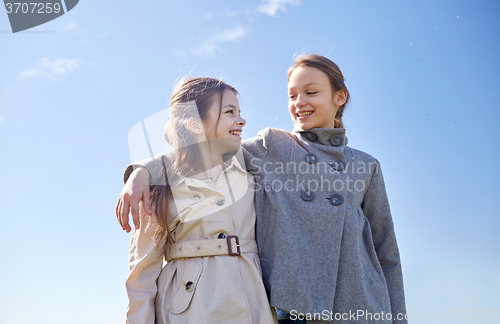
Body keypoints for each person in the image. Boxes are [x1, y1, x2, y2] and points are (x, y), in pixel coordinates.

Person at [118, 54, 407, 324]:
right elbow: (198, 148)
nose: (299, 102)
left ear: (339, 97)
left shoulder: (367, 166)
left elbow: (387, 253)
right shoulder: (271, 147)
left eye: (311, 92)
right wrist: (142, 171)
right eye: (292, 95)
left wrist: (398, 319)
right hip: (292, 310)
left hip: (363, 306)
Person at [123, 77, 276, 324]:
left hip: (253, 304)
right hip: (185, 312)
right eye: (229, 112)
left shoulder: (252, 176)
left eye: (239, 112)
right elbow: (141, 278)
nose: (242, 120)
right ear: (195, 123)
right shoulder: (158, 189)